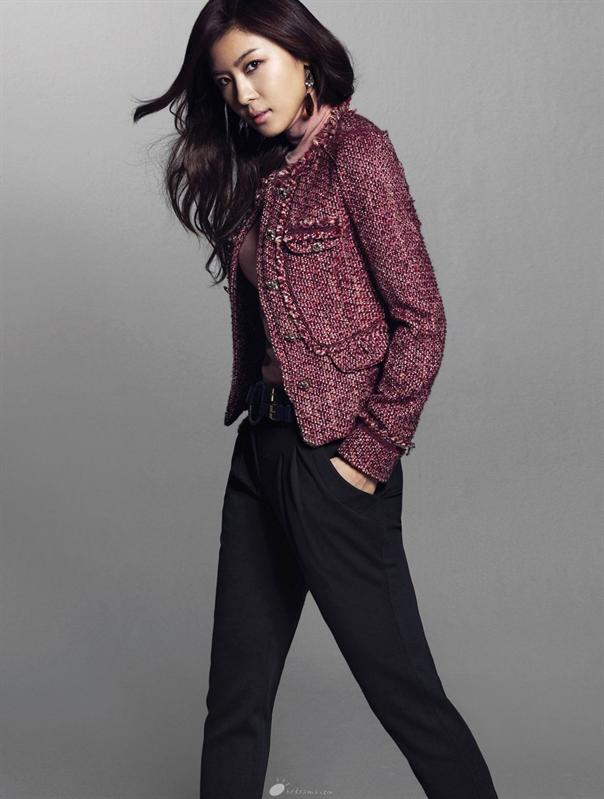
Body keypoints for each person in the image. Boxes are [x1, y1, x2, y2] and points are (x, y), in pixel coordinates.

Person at [133, 2, 500, 797]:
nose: (242, 94)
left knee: (406, 697)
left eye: (254, 66)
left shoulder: (357, 152)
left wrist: (365, 457)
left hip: (331, 459)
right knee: (235, 697)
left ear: (301, 54)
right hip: (258, 454)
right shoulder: (259, 163)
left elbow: (422, 319)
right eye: (224, 81)